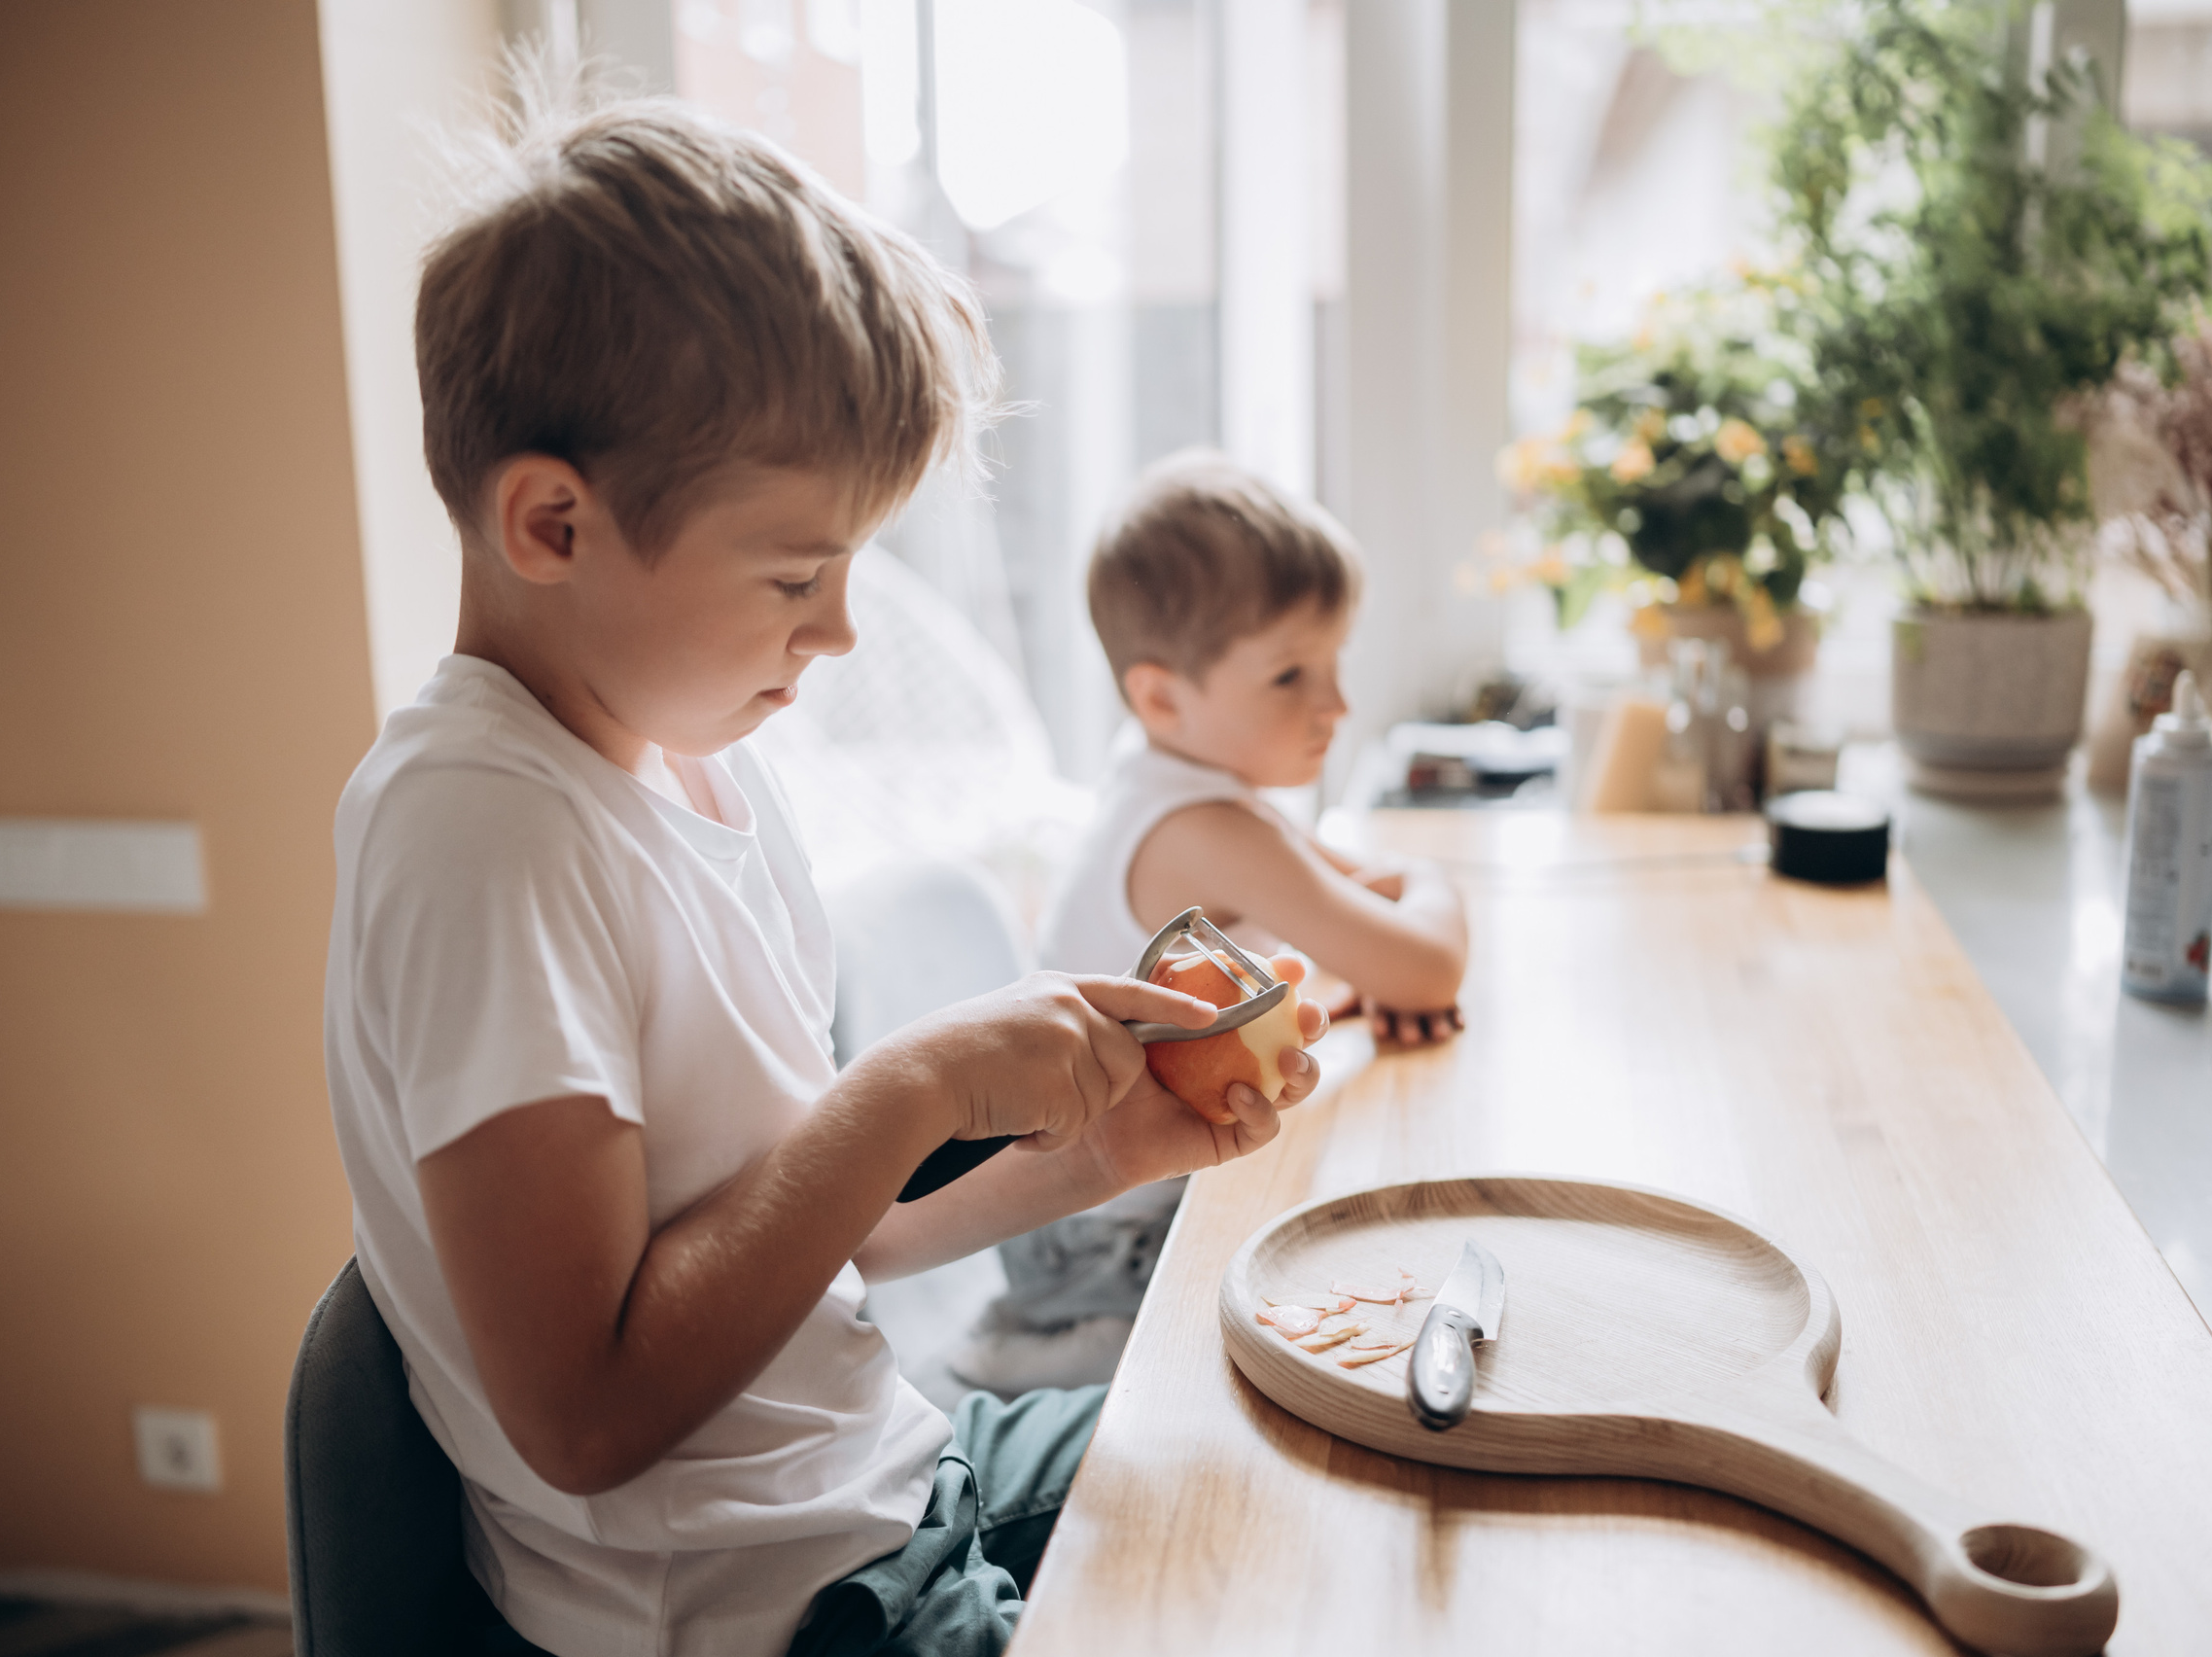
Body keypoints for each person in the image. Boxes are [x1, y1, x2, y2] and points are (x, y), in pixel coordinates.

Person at [321, 94, 1328, 1657]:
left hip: (895, 1484)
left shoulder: (704, 765)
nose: (842, 628)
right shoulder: (483, 837)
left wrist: (1101, 1156)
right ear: (551, 522)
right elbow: (584, 1417)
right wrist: (913, 1087)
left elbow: (829, 1246)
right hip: (772, 1607)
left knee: (1311, 1469)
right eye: (798, 573)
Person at [962, 453, 1468, 1396]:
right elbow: (1424, 964)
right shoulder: (1205, 828)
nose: (1336, 704)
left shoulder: (1171, 774)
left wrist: (1371, 955)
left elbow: (1358, 919)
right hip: (1103, 1243)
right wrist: (1436, 879)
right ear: (1162, 696)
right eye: (1290, 674)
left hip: (1076, 1213)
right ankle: (1059, 1353)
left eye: (1335, 661)